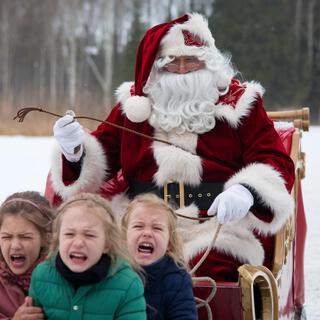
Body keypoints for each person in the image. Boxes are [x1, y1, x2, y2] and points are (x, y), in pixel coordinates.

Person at [49, 12, 295, 284]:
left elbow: (274, 159)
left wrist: (246, 191)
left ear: (209, 62)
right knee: (102, 266)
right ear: (156, 67)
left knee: (208, 272)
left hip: (213, 225)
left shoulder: (241, 106)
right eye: (171, 62)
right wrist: (75, 150)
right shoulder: (133, 108)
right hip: (137, 220)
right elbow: (103, 154)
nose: (181, 70)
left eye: (191, 61)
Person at [28, 192, 146, 319]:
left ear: (107, 244)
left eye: (89, 235)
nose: (78, 243)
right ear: (58, 239)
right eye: (69, 234)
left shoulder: (128, 284)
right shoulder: (42, 276)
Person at [121, 193, 197, 320]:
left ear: (169, 243)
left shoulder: (177, 279)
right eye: (138, 226)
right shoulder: (112, 273)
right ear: (124, 236)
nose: (147, 233)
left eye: (157, 228)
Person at [0, 191, 54, 320]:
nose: (15, 246)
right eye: (6, 237)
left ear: (45, 238)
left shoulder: (62, 277)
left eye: (25, 237)